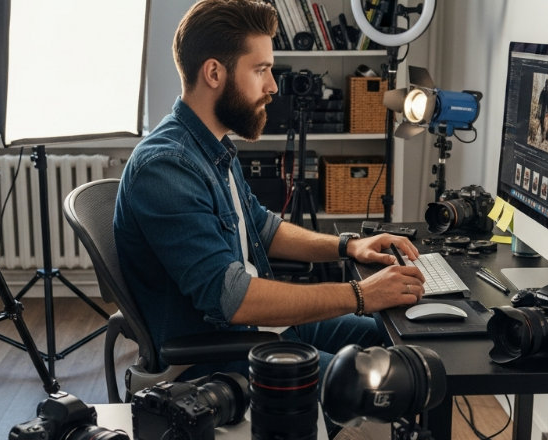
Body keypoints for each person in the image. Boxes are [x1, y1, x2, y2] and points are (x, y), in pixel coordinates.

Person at [114, 0, 425, 390]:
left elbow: (262, 227)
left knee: (407, 343)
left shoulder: (213, 147)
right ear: (214, 73)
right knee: (380, 384)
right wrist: (361, 294)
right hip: (216, 356)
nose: (273, 86)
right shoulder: (166, 167)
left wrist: (348, 246)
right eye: (260, 70)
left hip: (262, 329)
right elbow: (233, 299)